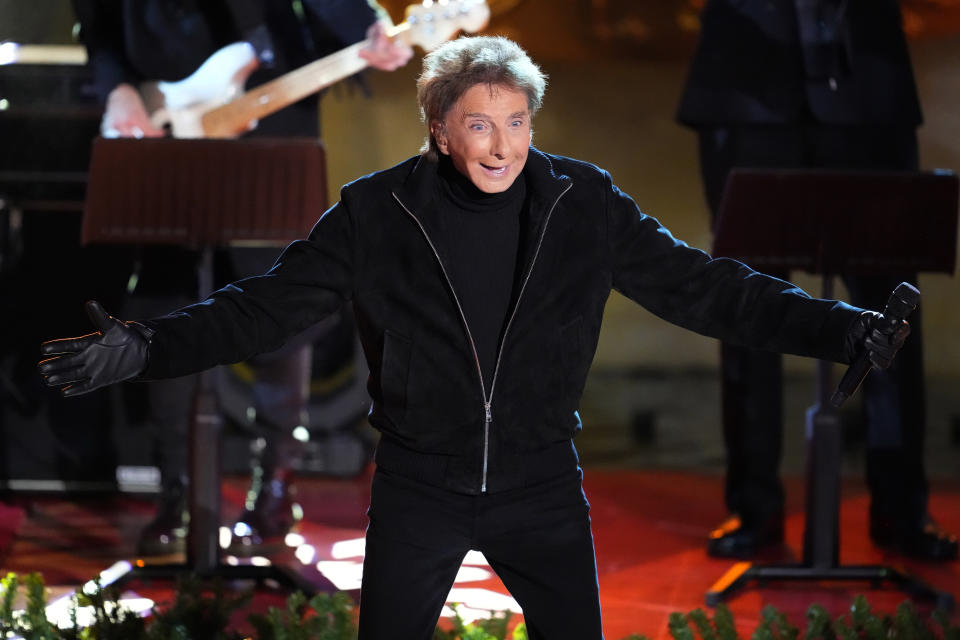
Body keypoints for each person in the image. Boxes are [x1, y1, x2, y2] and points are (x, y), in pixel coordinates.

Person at [40, 36, 910, 640]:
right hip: (422, 485)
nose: (503, 146)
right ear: (441, 127)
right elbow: (267, 305)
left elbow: (708, 291)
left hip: (542, 485)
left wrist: (846, 330)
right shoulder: (377, 212)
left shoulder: (582, 203)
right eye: (481, 124)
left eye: (518, 122)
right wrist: (151, 347)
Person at [70, 0, 412, 556]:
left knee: (283, 302)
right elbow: (98, 22)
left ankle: (274, 489)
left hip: (270, 110)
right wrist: (117, 89)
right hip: (162, 117)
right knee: (165, 302)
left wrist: (368, 29)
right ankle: (176, 495)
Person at [676, 0, 957, 561]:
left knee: (891, 310)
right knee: (745, 299)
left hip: (868, 92)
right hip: (746, 90)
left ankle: (902, 511)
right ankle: (755, 509)